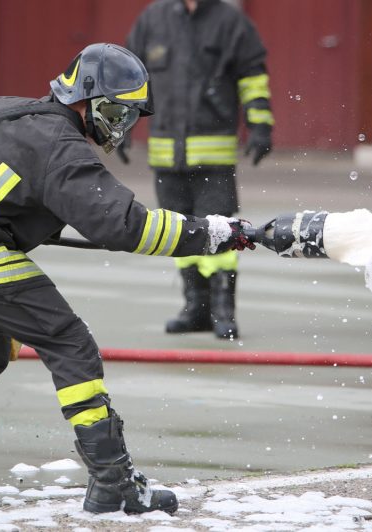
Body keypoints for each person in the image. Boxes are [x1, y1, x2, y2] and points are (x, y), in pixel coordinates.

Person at [0, 43, 255, 515]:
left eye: (129, 116)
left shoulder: (4, 109)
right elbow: (125, 225)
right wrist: (214, 232)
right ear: (85, 96)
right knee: (71, 345)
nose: (119, 126)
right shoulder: (61, 148)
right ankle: (114, 481)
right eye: (117, 111)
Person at [123, 0, 274, 340]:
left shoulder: (230, 23)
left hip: (213, 156)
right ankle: (196, 310)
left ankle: (223, 311)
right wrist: (122, 127)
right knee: (179, 232)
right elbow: (129, 78)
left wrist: (260, 125)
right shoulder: (153, 20)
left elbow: (253, 78)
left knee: (220, 230)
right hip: (166, 155)